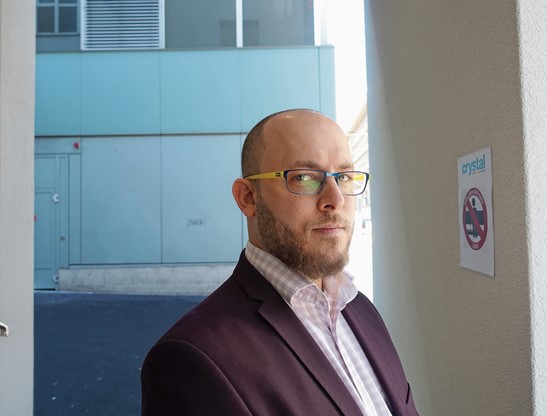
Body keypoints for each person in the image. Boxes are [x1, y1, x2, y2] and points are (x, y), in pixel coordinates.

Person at [141, 109, 419, 416]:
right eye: (303, 177)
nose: (335, 199)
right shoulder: (191, 359)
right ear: (247, 197)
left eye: (344, 177)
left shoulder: (362, 310)